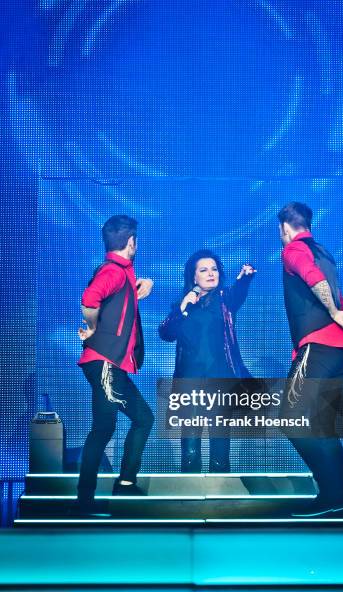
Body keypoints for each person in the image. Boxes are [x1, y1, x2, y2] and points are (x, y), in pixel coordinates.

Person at [278, 202, 343, 517]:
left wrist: (334, 312)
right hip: (339, 350)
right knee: (322, 425)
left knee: (291, 417)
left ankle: (330, 490)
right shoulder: (324, 251)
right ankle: (339, 496)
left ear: (285, 228)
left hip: (319, 345)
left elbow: (314, 279)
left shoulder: (293, 251)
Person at [74, 215, 154, 516]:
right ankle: (84, 502)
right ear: (131, 242)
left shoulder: (122, 273)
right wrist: (92, 327)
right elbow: (90, 298)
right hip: (105, 362)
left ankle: (125, 482)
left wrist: (141, 285)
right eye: (136, 241)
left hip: (111, 364)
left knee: (143, 418)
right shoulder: (114, 271)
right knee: (103, 429)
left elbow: (115, 299)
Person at [159, 249, 256, 473]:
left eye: (214, 269)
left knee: (220, 444)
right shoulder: (184, 305)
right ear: (194, 277)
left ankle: (220, 499)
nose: (211, 273)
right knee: (190, 445)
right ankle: (189, 497)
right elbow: (166, 333)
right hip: (189, 384)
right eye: (204, 270)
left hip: (220, 381)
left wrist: (245, 279)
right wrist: (183, 307)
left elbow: (238, 292)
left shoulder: (224, 301)